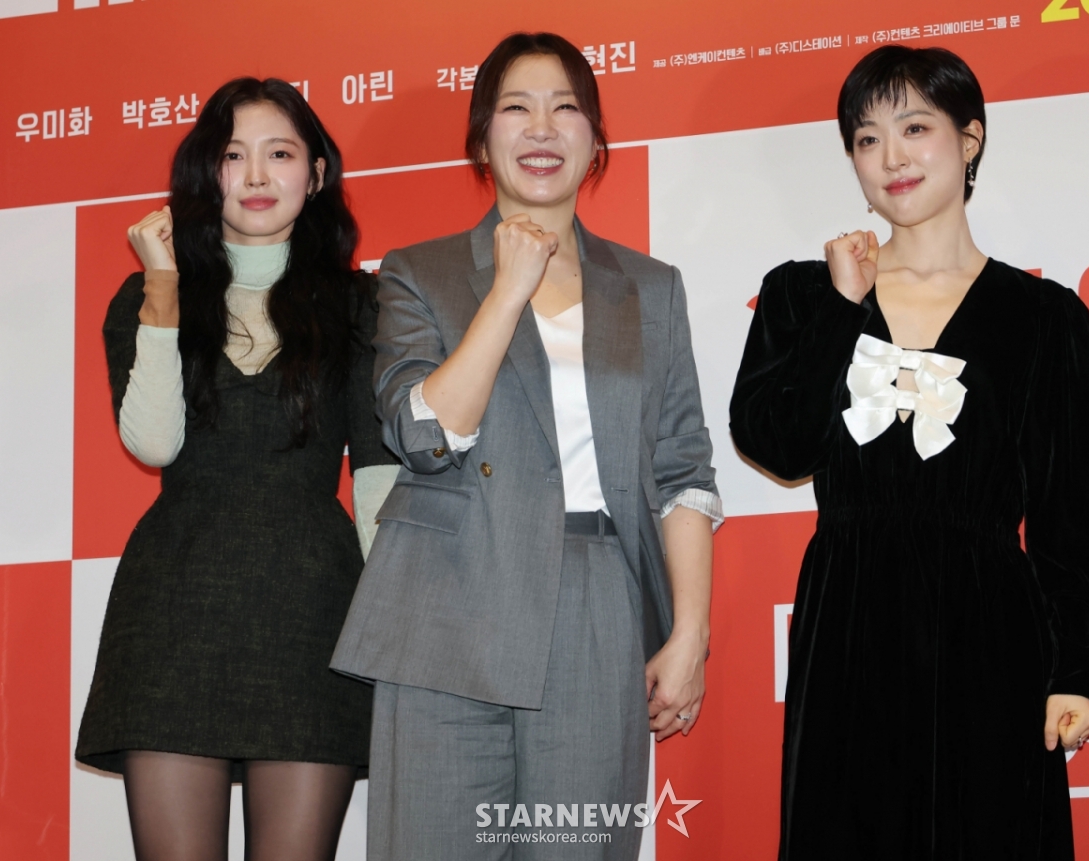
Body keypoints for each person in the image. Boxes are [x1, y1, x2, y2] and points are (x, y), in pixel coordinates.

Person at [330, 32, 721, 861]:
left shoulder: (652, 288)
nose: (542, 128)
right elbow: (422, 433)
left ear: (595, 140)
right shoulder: (416, 273)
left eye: (565, 107)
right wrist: (509, 288)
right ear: (481, 138)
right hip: (446, 604)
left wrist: (689, 633)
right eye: (516, 108)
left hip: (595, 606)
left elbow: (682, 469)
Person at [730, 45, 1089, 859]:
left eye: (915, 127)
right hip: (850, 618)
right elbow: (777, 443)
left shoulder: (1044, 317)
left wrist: (1073, 665)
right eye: (867, 139)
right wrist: (843, 307)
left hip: (991, 629)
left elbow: (1067, 509)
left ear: (969, 139)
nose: (892, 156)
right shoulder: (805, 290)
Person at [75, 78, 398, 861]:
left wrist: (395, 629)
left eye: (280, 153)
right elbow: (153, 443)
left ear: (316, 174)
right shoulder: (146, 297)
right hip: (175, 611)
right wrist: (162, 286)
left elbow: (381, 474)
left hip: (312, 614)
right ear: (204, 174)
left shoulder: (361, 305)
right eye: (232, 155)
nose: (255, 176)